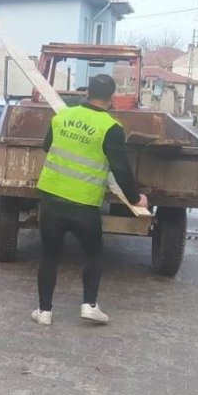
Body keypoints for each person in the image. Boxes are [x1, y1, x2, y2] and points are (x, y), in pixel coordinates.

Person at [31, 74, 148, 326]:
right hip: (84, 205)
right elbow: (121, 168)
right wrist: (135, 198)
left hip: (52, 198)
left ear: (86, 93)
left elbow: (47, 146)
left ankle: (44, 312)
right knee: (93, 254)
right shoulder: (111, 127)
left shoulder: (62, 116)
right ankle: (89, 305)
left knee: (49, 256)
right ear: (111, 97)